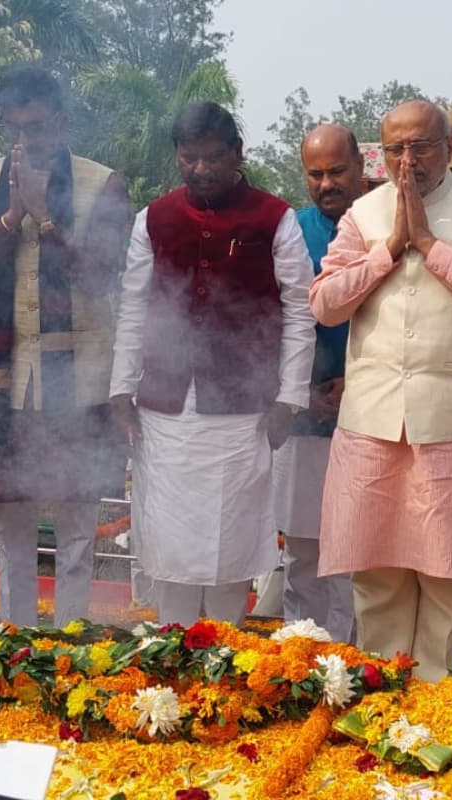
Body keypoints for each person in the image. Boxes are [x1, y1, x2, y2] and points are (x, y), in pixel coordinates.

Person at [311, 99, 452, 681]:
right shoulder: (363, 213)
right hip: (372, 424)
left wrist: (431, 246)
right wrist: (388, 249)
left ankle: (431, 722)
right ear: (380, 154)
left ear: (450, 148)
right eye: (395, 148)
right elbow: (327, 305)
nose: (408, 160)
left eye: (422, 146)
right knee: (376, 578)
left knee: (447, 582)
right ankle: (379, 714)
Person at [110, 101, 315, 628]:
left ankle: (227, 654)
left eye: (212, 158)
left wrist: (289, 399)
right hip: (164, 410)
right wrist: (119, 392)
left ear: (237, 154)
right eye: (189, 158)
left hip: (245, 411)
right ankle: (170, 658)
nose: (200, 169)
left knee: (232, 547)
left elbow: (299, 311)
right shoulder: (152, 218)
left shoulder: (276, 218)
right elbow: (132, 307)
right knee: (170, 548)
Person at [0, 65, 131, 627]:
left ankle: (73, 640)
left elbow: (103, 276)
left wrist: (49, 220)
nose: (29, 138)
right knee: (12, 529)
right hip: (5, 382)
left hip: (79, 382)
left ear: (62, 120)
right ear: (7, 125)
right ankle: (16, 640)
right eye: (18, 127)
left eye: (40, 126)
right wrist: (10, 218)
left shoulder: (103, 183)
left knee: (79, 527)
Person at [270, 123, 363, 641]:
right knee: (303, 552)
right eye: (315, 173)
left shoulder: (387, 225)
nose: (327, 183)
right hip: (303, 414)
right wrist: (297, 391)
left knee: (355, 554)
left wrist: (358, 382)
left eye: (337, 171)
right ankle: (299, 659)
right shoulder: (289, 230)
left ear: (361, 167)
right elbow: (266, 317)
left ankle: (352, 665)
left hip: (368, 414)